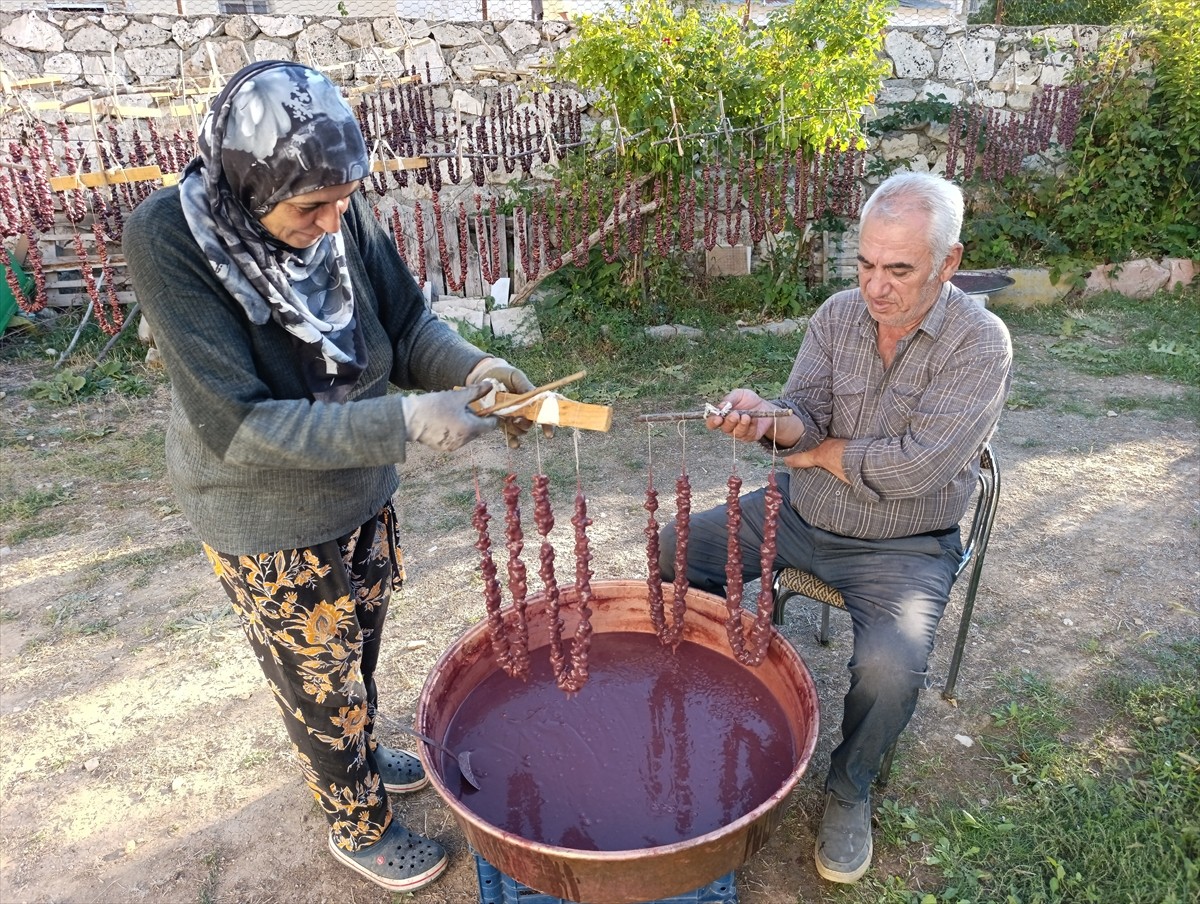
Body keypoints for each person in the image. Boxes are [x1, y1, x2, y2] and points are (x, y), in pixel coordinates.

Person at [123, 61, 542, 894]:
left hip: (358, 485)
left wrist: (475, 365)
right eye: (310, 209)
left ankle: (355, 753)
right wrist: (402, 420)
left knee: (360, 643)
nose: (332, 220)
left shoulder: (334, 198)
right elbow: (239, 425)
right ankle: (354, 820)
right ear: (249, 184)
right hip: (261, 506)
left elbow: (408, 323)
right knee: (315, 675)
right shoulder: (170, 237)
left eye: (343, 201)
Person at [658, 171, 1012, 884]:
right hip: (803, 510)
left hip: (904, 543)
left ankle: (849, 788)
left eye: (899, 270)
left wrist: (809, 452)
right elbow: (805, 410)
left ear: (948, 262)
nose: (876, 287)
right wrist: (768, 418)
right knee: (669, 550)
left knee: (890, 667)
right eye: (865, 265)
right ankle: (710, 694)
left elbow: (916, 470)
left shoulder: (981, 343)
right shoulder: (838, 315)